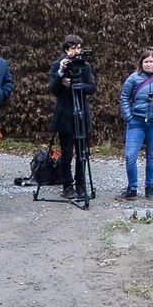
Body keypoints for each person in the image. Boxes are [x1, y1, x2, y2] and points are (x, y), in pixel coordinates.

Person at [117, 49, 153, 201]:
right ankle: (132, 188)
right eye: (145, 61)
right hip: (136, 122)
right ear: (141, 63)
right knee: (130, 156)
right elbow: (124, 98)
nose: (148, 64)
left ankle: (149, 188)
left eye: (151, 61)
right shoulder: (133, 78)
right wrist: (129, 117)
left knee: (152, 156)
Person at [48, 34, 95, 200]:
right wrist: (61, 73)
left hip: (81, 112)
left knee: (82, 152)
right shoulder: (57, 65)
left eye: (79, 47)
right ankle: (67, 185)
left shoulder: (85, 66)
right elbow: (52, 89)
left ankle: (81, 184)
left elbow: (92, 87)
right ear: (66, 49)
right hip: (65, 114)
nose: (76, 51)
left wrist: (78, 85)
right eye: (73, 48)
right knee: (67, 152)